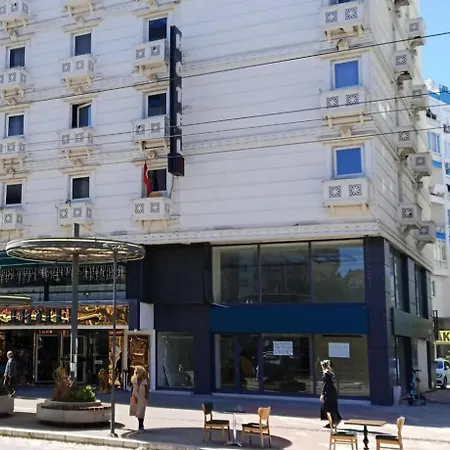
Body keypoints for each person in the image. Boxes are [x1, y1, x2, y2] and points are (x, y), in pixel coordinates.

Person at [320, 360, 342, 429]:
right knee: (331, 406)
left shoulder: (326, 374)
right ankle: (333, 421)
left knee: (327, 407)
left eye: (322, 366)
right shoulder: (330, 373)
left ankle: (336, 419)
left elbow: (325, 384)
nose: (321, 367)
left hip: (328, 392)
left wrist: (322, 394)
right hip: (332, 392)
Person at [131, 366, 149, 431]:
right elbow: (132, 388)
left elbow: (147, 390)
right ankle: (140, 424)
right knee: (137, 412)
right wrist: (131, 396)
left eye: (137, 371)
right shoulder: (134, 379)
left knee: (141, 412)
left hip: (142, 398)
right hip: (135, 397)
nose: (136, 372)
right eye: (135, 371)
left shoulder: (145, 380)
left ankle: (140, 425)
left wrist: (146, 398)